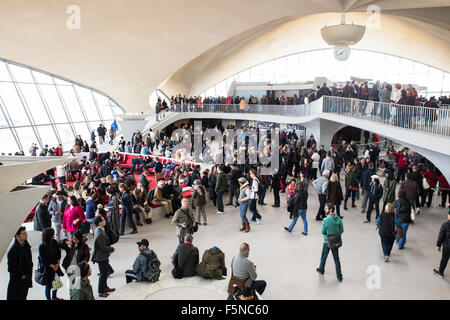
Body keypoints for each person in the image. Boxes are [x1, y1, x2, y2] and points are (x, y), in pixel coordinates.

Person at [316, 203, 343, 282]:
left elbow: (323, 231)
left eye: (326, 208)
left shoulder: (326, 220)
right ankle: (339, 275)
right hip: (336, 240)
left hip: (327, 241)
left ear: (331, 210)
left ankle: (321, 269)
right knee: (336, 258)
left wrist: (328, 233)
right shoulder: (339, 219)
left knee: (324, 256)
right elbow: (341, 230)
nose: (325, 209)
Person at [92, 216, 115, 297]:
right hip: (101, 256)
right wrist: (111, 249)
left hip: (102, 256)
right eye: (103, 220)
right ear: (99, 223)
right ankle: (101, 291)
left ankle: (105, 287)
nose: (105, 221)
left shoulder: (99, 230)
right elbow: (103, 247)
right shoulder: (99, 233)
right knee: (103, 274)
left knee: (105, 273)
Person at [7, 227, 33, 300]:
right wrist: (21, 275)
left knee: (24, 295)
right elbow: (11, 268)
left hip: (26, 277)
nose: (26, 235)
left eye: (26, 233)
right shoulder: (13, 251)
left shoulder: (26, 245)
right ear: (17, 236)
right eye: (24, 234)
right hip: (18, 280)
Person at [38, 228, 64, 300]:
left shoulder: (54, 242)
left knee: (56, 282)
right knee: (48, 285)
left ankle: (54, 297)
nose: (54, 235)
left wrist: (58, 263)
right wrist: (52, 266)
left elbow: (58, 253)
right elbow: (43, 259)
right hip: (47, 268)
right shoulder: (42, 247)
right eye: (53, 234)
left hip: (55, 265)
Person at [434, 209, 450, 278]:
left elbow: (441, 236)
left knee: (444, 259)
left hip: (447, 246)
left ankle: (440, 272)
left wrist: (438, 245)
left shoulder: (445, 225)